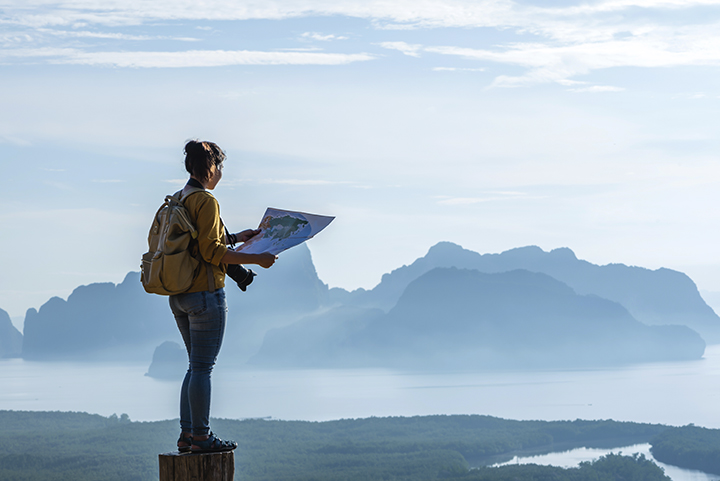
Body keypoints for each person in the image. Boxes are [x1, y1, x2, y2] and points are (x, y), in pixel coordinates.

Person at [171, 140, 276, 453]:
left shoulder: (179, 198)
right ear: (211, 167)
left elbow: (200, 242)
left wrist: (236, 237)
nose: (221, 174)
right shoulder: (206, 200)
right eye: (221, 167)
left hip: (179, 295)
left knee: (194, 367)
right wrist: (257, 259)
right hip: (204, 294)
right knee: (202, 368)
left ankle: (187, 435)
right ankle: (201, 438)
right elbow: (211, 252)